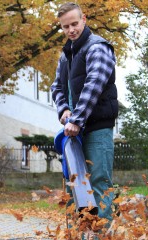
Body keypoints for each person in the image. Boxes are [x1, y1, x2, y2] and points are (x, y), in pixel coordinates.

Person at [51, 2, 119, 225]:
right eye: (65, 26)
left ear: (84, 19)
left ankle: (102, 234)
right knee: (74, 186)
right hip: (74, 132)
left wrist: (77, 119)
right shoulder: (66, 56)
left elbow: (94, 84)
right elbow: (56, 87)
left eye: (74, 23)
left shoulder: (97, 47)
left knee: (98, 183)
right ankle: (78, 233)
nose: (71, 30)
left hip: (96, 129)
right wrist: (64, 109)